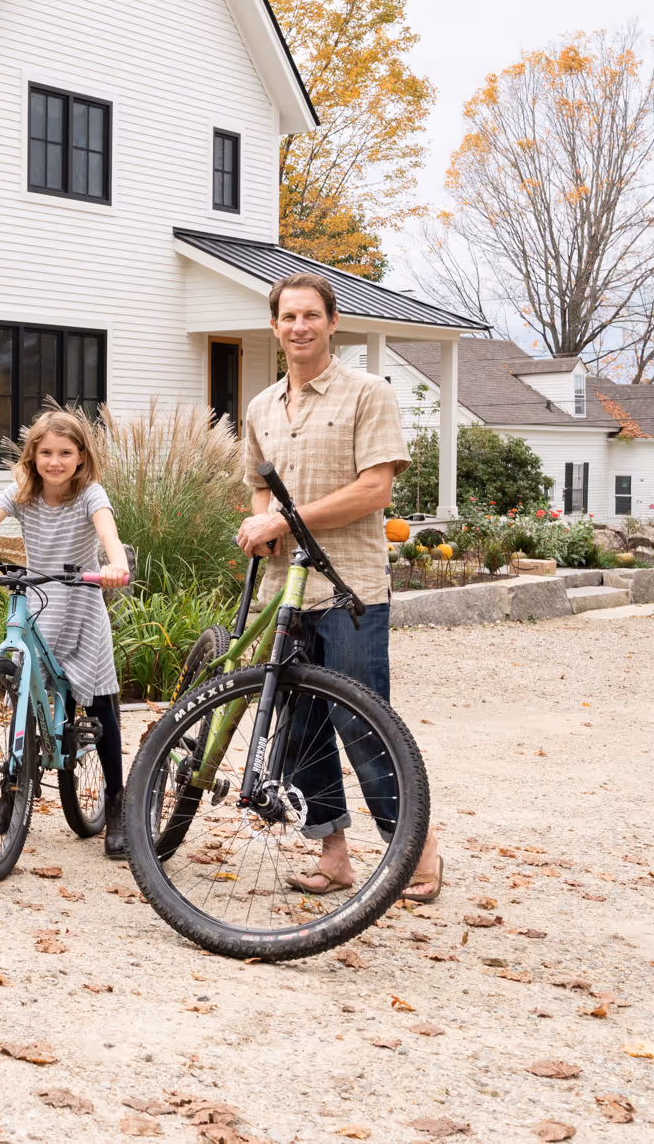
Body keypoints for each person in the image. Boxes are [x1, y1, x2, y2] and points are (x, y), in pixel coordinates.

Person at [234, 270, 443, 902]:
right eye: (288, 317)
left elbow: (375, 490)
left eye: (310, 316)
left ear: (332, 323)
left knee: (364, 724)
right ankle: (333, 856)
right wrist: (260, 521)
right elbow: (260, 486)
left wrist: (287, 519)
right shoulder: (261, 407)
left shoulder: (366, 393)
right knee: (299, 730)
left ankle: (417, 850)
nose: (299, 327)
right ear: (275, 327)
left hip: (349, 588)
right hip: (284, 591)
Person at [0, 408, 134, 854]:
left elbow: (108, 533)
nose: (55, 462)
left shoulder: (90, 494)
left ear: (81, 457)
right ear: (32, 455)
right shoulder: (21, 493)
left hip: (82, 601)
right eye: (46, 452)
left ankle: (117, 805)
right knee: (23, 697)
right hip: (40, 600)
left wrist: (116, 564)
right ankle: (11, 796)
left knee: (97, 701)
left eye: (65, 453)